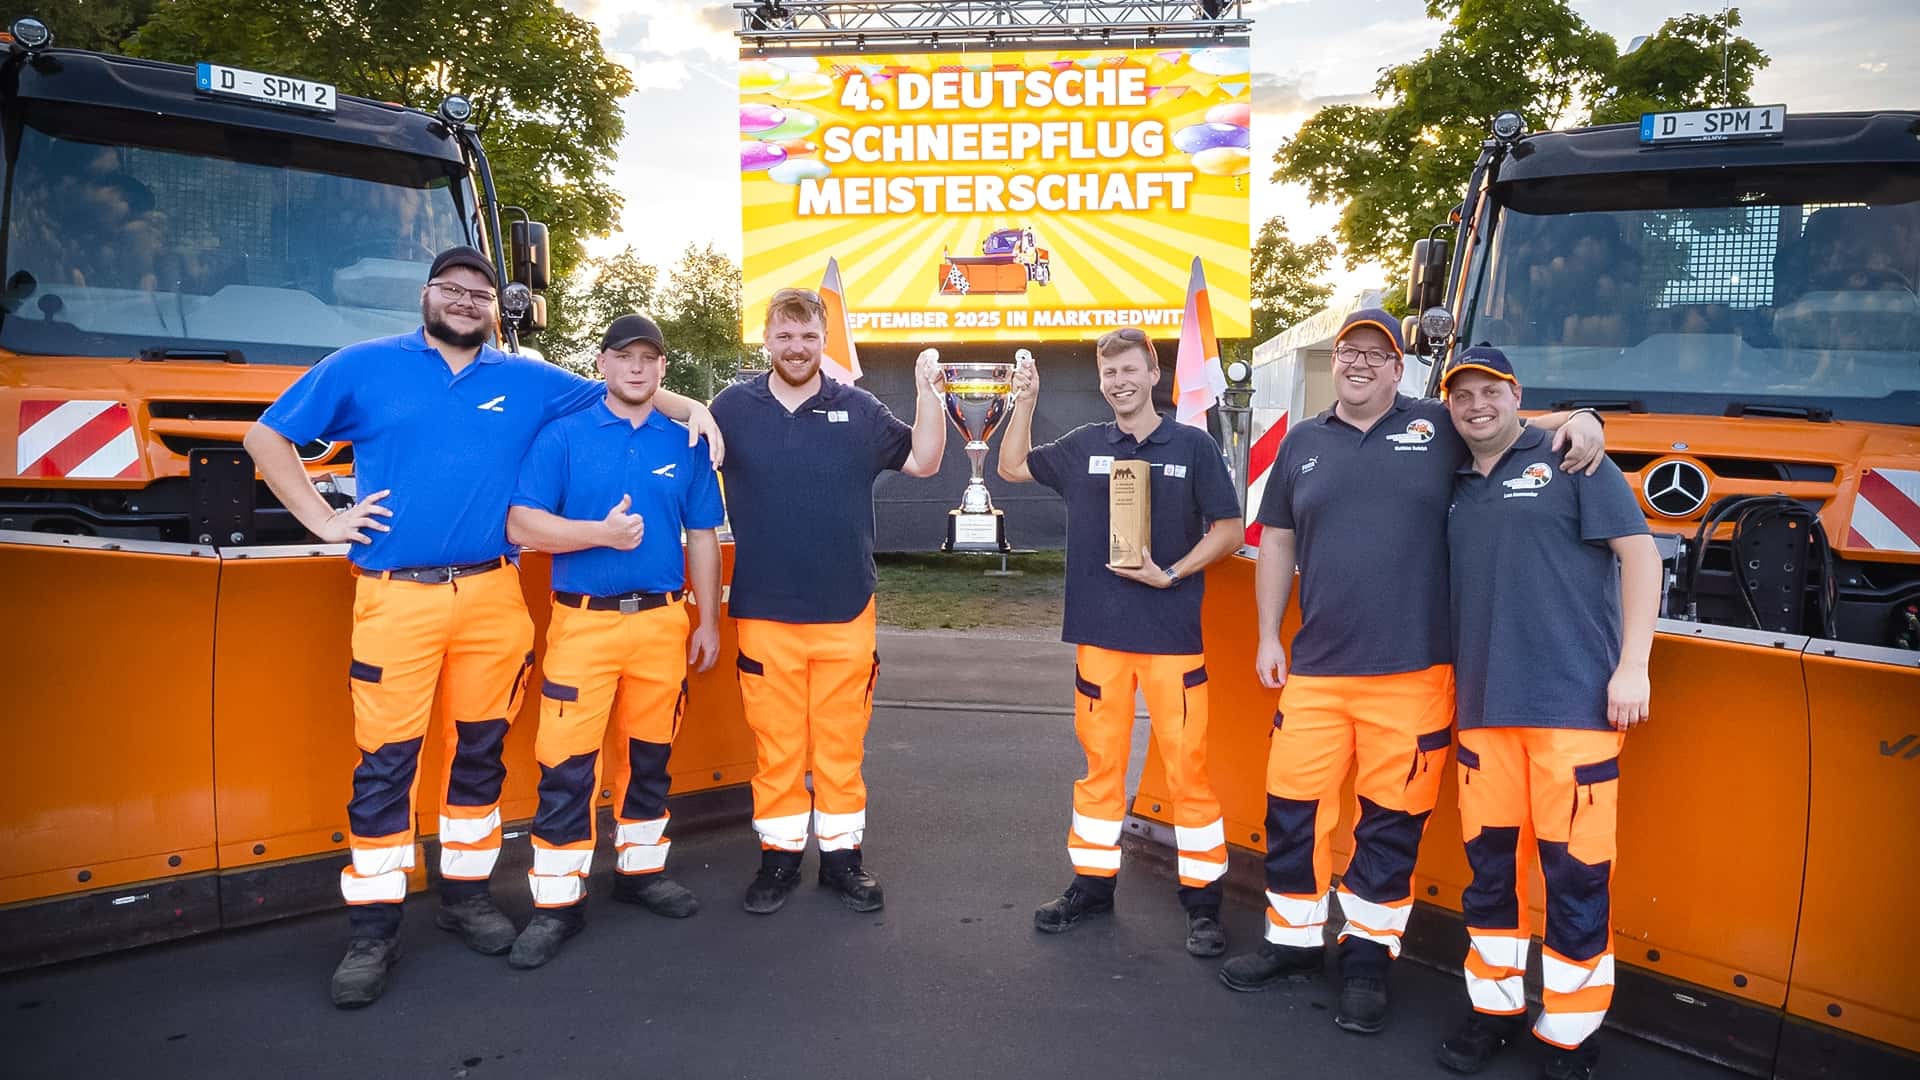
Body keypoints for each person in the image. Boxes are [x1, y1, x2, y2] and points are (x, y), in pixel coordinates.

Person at [242, 247, 723, 1009]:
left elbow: (625, 387)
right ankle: (373, 930)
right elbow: (264, 439)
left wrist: (691, 407)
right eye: (452, 290)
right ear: (427, 296)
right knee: (385, 765)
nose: (466, 302)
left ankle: (465, 898)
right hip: (396, 598)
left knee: (480, 754)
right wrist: (325, 517)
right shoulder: (363, 366)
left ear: (497, 309)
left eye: (480, 294)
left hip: (494, 596)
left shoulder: (527, 378)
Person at [1217, 310, 1607, 1035]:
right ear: (1335, 363)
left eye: (1378, 353)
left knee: (1389, 827)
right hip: (1317, 672)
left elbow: (1511, 417)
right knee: (1292, 812)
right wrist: (1269, 634)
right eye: (1349, 351)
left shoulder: (1439, 426)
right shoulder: (1300, 444)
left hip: (1416, 674)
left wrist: (1582, 417)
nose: (1360, 362)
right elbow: (1276, 541)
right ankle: (1294, 940)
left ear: (1401, 369)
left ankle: (1367, 958)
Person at [1434, 346, 1657, 1080]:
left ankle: (1571, 1029)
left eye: (1489, 392)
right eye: (1460, 395)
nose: (1475, 405)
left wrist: (1633, 665)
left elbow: (1641, 555)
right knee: (1490, 873)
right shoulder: (1455, 474)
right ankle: (1492, 1009)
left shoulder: (1574, 461)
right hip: (1484, 713)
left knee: (1576, 876)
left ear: (1515, 394)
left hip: (1572, 710)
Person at [996, 327, 1245, 956]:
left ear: (1152, 374)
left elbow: (1230, 528)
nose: (1120, 382)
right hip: (1100, 637)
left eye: (1130, 370)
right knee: (1100, 767)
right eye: (1109, 374)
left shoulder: (1191, 445)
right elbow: (1011, 466)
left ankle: (1203, 901)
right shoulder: (1084, 445)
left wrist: (1173, 573)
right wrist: (1024, 399)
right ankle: (1092, 883)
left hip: (1171, 638)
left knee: (1188, 769)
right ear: (1101, 381)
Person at [707, 287, 947, 914]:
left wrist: (930, 392)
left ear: (824, 340)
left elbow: (923, 460)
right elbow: (672, 418)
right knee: (777, 748)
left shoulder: (860, 409)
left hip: (845, 609)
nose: (797, 347)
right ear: (766, 340)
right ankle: (779, 862)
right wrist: (692, 408)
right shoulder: (732, 407)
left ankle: (843, 862)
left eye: (808, 335)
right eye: (784, 336)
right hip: (764, 612)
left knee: (841, 747)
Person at [501, 314, 725, 969]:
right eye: (623, 356)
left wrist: (707, 619)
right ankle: (556, 904)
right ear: (601, 364)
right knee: (567, 767)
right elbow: (521, 521)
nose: (636, 367)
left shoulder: (683, 443)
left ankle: (641, 873)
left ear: (662, 369)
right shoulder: (563, 436)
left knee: (650, 758)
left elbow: (704, 536)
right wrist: (597, 534)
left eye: (649, 358)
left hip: (662, 624)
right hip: (583, 624)